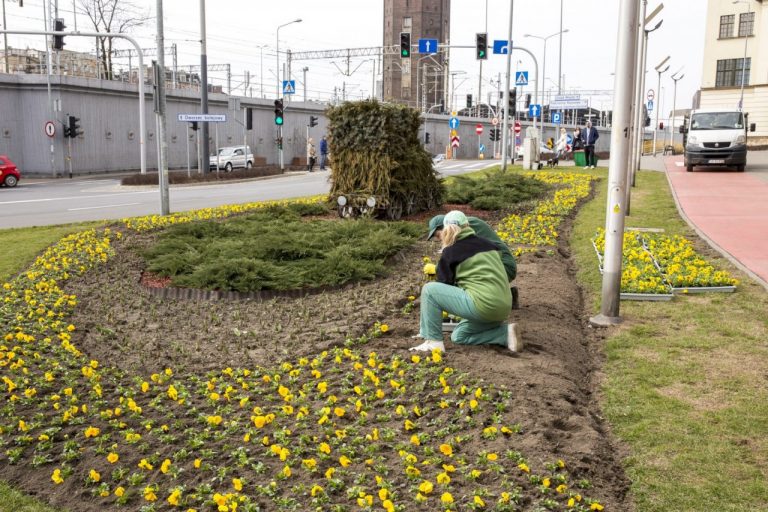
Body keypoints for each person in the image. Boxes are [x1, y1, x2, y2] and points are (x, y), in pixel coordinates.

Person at [411, 210, 521, 353]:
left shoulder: (451, 252)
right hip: (503, 307)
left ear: (446, 230)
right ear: (468, 225)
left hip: (484, 305)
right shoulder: (488, 244)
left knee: (429, 290)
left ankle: (433, 342)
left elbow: (443, 286)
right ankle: (504, 334)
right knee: (459, 335)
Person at [427, 213, 518, 306]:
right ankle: (507, 294)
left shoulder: (464, 226)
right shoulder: (464, 222)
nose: (440, 239)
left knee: (462, 275)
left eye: (438, 235)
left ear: (445, 226)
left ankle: (480, 304)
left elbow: (454, 257)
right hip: (499, 263)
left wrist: (437, 269)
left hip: (503, 265)